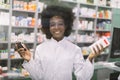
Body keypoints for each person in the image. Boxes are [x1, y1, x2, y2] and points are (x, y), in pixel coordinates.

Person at [15, 5, 106, 80]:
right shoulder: (41, 48)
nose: (56, 27)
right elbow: (38, 77)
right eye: (52, 24)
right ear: (48, 27)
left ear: (66, 25)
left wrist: (89, 59)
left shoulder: (74, 49)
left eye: (60, 24)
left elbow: (82, 77)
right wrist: (29, 60)